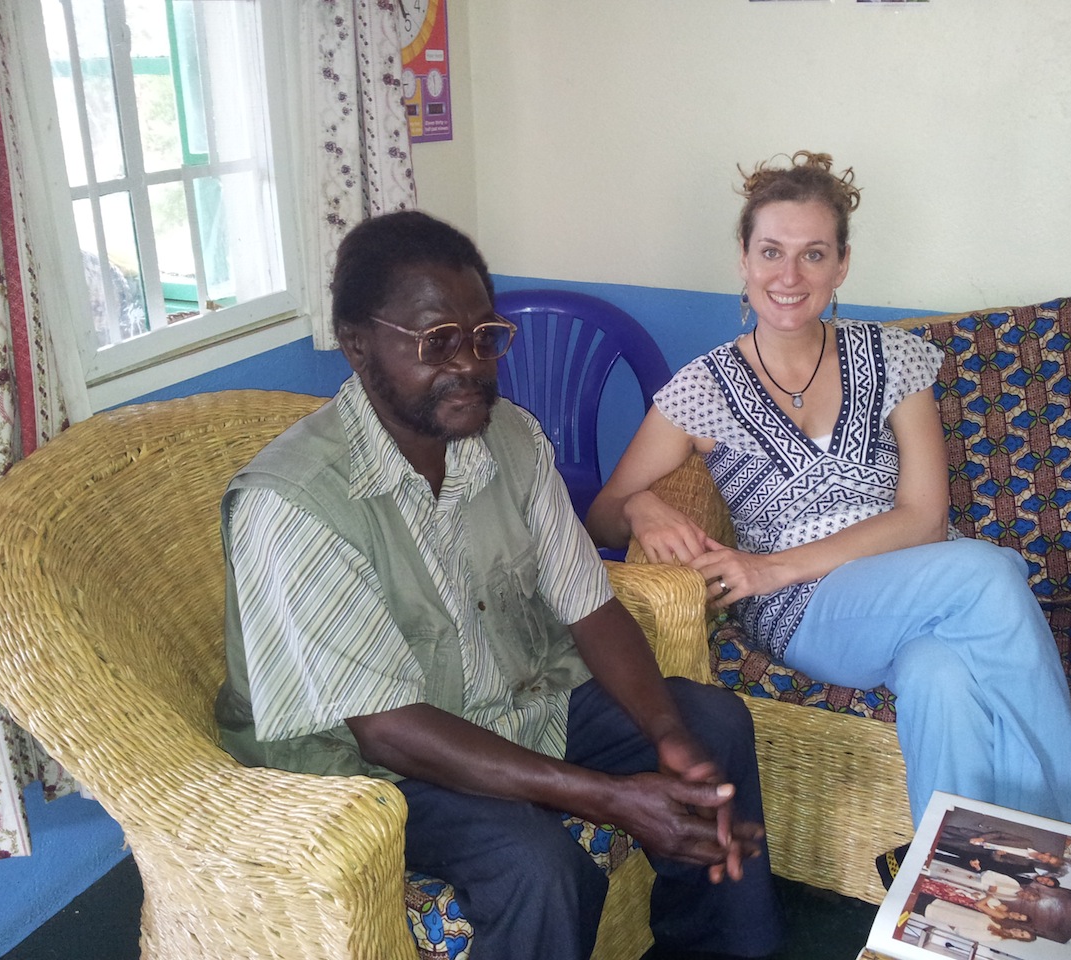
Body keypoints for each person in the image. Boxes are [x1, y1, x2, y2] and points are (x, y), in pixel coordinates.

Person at [213, 211, 783, 960]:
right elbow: (386, 729)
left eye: (485, 336)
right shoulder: (294, 503)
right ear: (357, 344)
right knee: (536, 867)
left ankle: (718, 950)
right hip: (365, 769)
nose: (471, 364)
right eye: (437, 341)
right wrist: (611, 798)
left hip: (513, 700)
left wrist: (667, 735)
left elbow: (590, 605)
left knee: (711, 723)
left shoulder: (509, 437)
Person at [585, 150, 1071, 830]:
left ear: (842, 265)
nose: (789, 276)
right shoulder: (703, 388)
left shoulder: (893, 357)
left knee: (941, 678)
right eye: (771, 252)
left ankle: (956, 882)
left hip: (912, 580)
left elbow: (924, 518)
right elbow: (601, 515)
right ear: (743, 260)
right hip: (803, 611)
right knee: (990, 572)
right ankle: (1066, 856)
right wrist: (642, 505)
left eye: (813, 254)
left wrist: (771, 564)